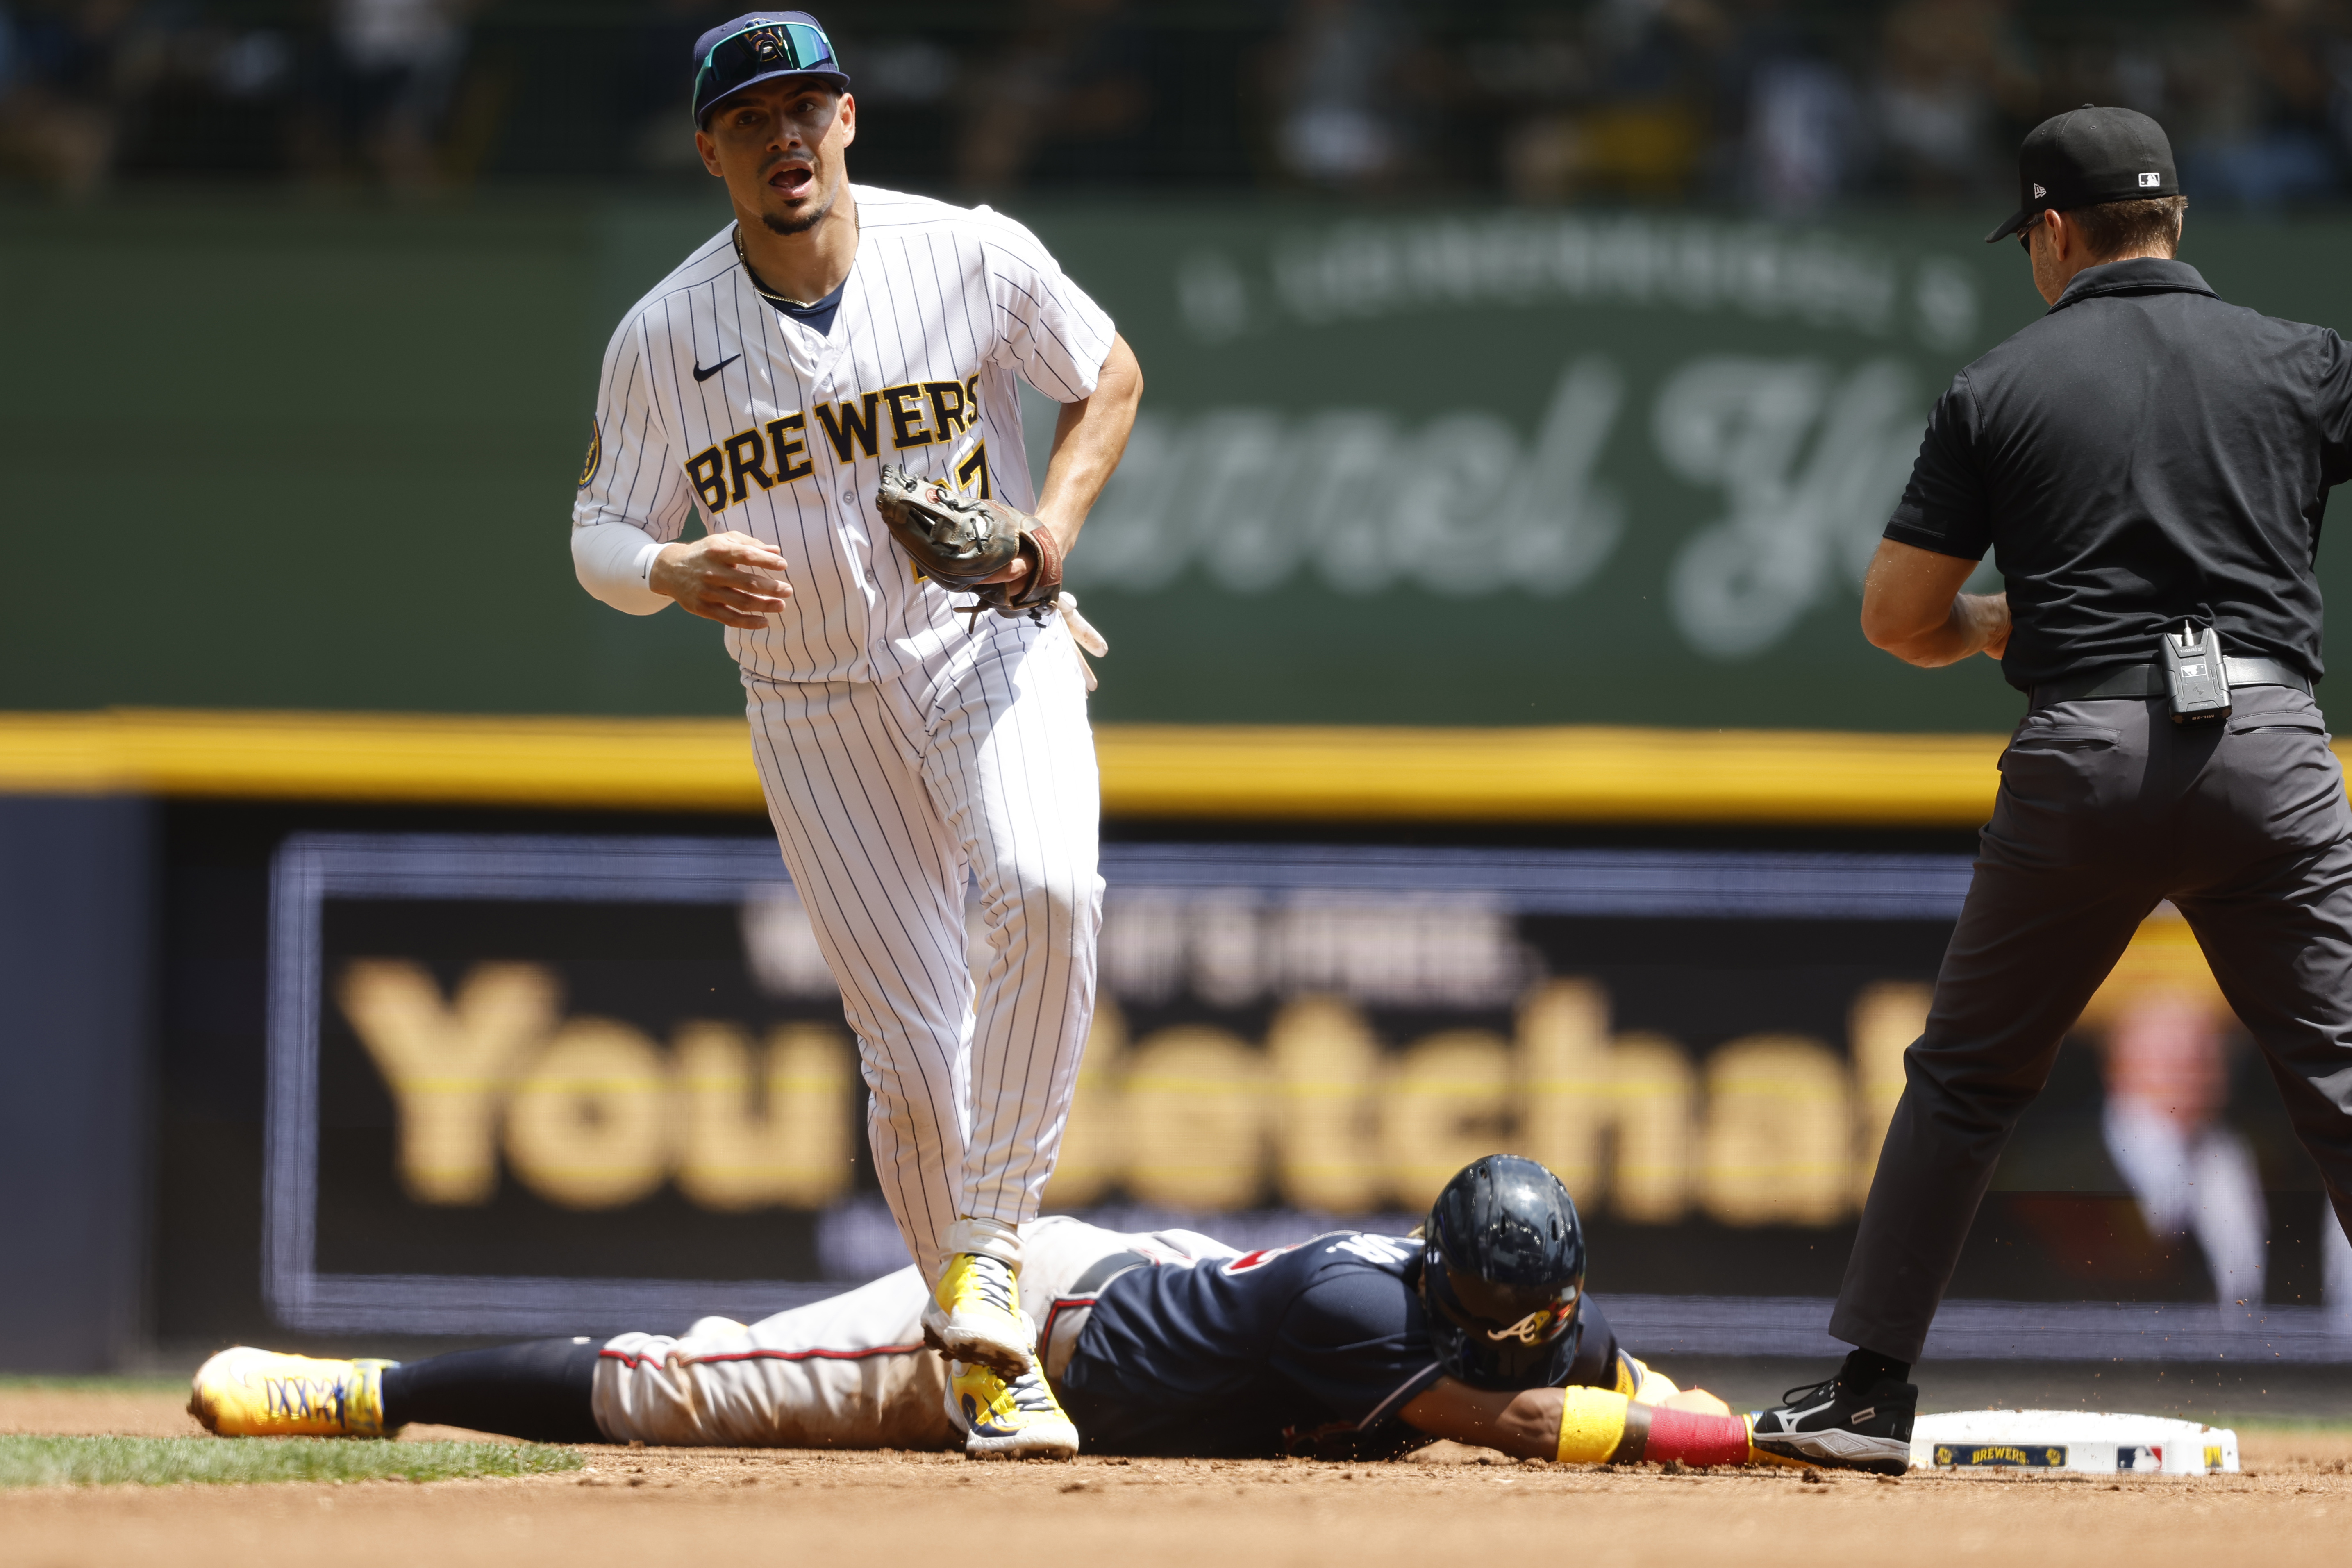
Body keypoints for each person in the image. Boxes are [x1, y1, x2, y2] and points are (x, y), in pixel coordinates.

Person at [567, 13, 1144, 1457]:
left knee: (1052, 888)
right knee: (906, 1046)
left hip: (983, 642)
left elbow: (1108, 371)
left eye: (803, 107)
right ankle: (980, 1349)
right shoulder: (663, 333)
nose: (783, 138)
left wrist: (1050, 525)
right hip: (811, 700)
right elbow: (593, 526)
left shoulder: (966, 252)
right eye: (749, 120)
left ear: (847, 119)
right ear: (710, 152)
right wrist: (665, 572)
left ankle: (993, 1250)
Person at [1751, 103, 2352, 1474]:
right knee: (2341, 1076)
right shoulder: (2298, 360)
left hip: (2085, 750)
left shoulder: (2000, 384)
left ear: (2055, 232)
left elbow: (1894, 616)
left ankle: (1865, 1394)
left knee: (1966, 1079)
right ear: (2178, 223)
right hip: (2265, 746)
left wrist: (1980, 624)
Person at [188, 1157, 1760, 1467]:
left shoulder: (1507, 1285)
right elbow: (1521, 1420)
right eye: (1501, 1311)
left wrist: (1745, 1418)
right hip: (1023, 1340)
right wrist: (1736, 1457)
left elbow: (1604, 1366)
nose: (1529, 1329)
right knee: (689, 1388)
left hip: (1156, 1289)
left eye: (1539, 1307)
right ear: (1447, 1279)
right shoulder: (1372, 1312)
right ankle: (361, 1391)